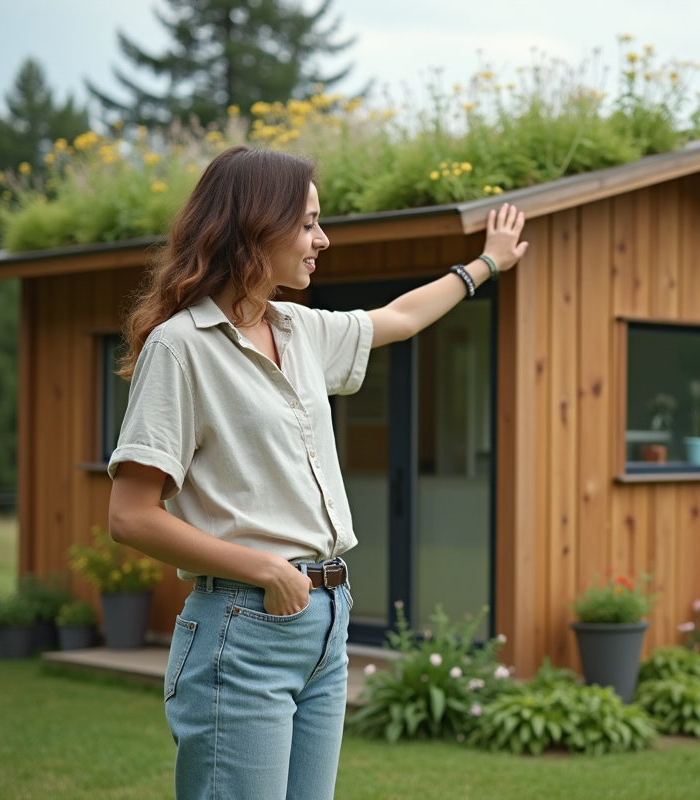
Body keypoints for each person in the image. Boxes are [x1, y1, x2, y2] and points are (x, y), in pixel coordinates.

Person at [106, 144, 526, 799]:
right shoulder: (180, 348)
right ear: (255, 226)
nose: (321, 240)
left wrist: (486, 265)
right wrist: (266, 569)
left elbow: (401, 318)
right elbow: (130, 517)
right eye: (307, 224)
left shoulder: (300, 331)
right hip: (243, 629)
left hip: (326, 620)